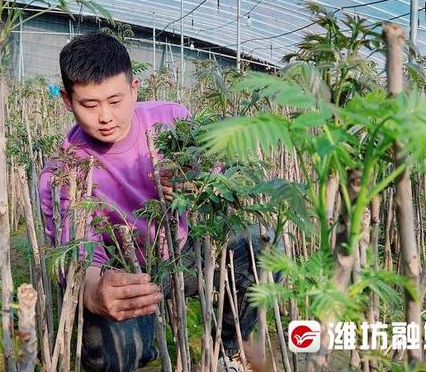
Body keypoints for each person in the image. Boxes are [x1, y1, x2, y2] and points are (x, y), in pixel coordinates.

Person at [38, 32, 266, 372]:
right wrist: (96, 293)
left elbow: (220, 181)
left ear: (134, 89)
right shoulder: (64, 173)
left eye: (115, 101)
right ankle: (137, 346)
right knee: (111, 349)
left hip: (185, 253)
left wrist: (198, 183)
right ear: (68, 101)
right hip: (125, 274)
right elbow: (80, 257)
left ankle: (229, 350)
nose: (105, 117)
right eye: (89, 104)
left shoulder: (171, 118)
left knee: (256, 239)